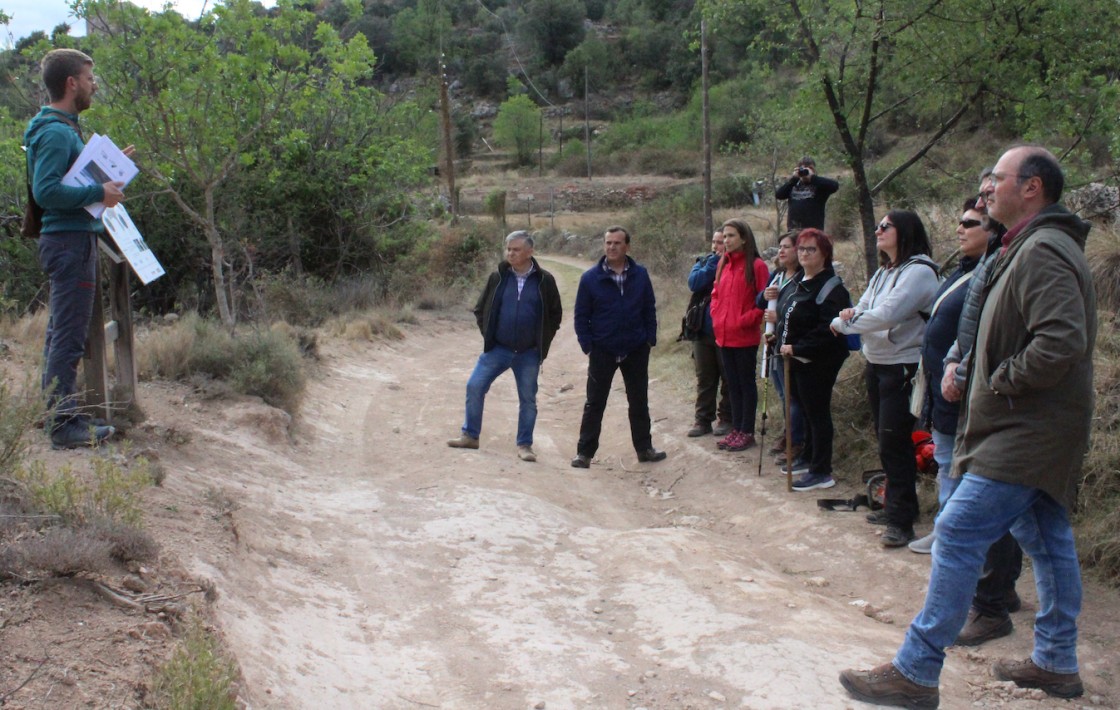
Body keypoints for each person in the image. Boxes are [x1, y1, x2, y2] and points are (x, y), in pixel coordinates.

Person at [840, 146, 1096, 708]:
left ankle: (917, 669)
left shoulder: (1045, 250)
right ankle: (1055, 662)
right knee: (1046, 540)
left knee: (955, 532)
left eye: (996, 181)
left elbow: (1060, 342)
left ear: (1031, 188)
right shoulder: (1023, 245)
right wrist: (969, 362)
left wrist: (998, 378)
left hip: (1026, 427)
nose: (985, 191)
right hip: (1025, 424)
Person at [934, 173, 1025, 646]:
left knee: (971, 517)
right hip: (968, 396)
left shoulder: (1029, 254)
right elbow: (969, 329)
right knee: (1031, 525)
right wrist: (954, 360)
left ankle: (986, 605)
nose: (962, 227)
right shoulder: (986, 260)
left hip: (997, 406)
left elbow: (1046, 343)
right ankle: (996, 601)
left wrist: (980, 377)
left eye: (973, 219)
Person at [26, 49, 129, 450]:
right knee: (69, 336)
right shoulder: (55, 132)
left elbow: (63, 182)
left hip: (68, 241)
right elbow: (46, 190)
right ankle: (63, 425)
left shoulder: (60, 128)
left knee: (60, 333)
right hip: (69, 243)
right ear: (71, 83)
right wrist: (97, 191)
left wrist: (108, 173)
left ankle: (58, 412)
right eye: (89, 78)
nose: (94, 84)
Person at [830, 210, 940, 547]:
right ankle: (898, 505)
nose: (878, 230)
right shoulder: (884, 271)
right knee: (886, 440)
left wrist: (844, 323)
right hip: (877, 362)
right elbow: (861, 307)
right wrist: (849, 318)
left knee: (896, 442)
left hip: (902, 366)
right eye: (877, 225)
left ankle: (901, 521)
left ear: (904, 231)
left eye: (885, 226)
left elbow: (884, 314)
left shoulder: (919, 272)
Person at [907, 197, 995, 549]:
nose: (959, 229)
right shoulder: (964, 269)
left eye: (969, 223)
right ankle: (946, 531)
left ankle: (952, 536)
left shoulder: (988, 271)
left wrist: (957, 372)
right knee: (945, 461)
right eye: (960, 222)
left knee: (957, 465)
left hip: (962, 388)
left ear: (991, 229)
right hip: (941, 384)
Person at [447, 231, 562, 462]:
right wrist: (489, 336)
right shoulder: (497, 277)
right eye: (508, 249)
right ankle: (470, 435)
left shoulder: (544, 280)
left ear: (530, 252)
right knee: (474, 386)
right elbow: (481, 309)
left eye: (516, 249)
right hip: (498, 349)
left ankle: (525, 445)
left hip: (528, 353)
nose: (510, 253)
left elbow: (555, 315)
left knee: (528, 399)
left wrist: (541, 343)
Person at [571, 227, 666, 468]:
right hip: (603, 349)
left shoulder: (641, 275)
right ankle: (584, 453)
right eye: (608, 243)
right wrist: (588, 346)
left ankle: (644, 449)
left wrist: (649, 339)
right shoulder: (590, 278)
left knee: (638, 401)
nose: (611, 247)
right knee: (595, 402)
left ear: (627, 246)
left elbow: (649, 309)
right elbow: (581, 316)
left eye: (617, 243)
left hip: (635, 348)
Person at [776, 229, 850, 490]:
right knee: (806, 412)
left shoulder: (831, 287)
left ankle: (822, 470)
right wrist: (776, 340)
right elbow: (787, 317)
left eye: (811, 250)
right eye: (802, 248)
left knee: (817, 414)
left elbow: (828, 328)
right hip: (795, 360)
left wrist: (796, 347)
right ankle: (808, 457)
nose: (804, 254)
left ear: (825, 254)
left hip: (818, 361)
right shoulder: (799, 281)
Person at [709, 219, 769, 452]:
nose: (726, 241)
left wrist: (745, 320)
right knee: (732, 385)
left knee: (745, 384)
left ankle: (747, 431)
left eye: (731, 236)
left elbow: (763, 301)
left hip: (744, 336)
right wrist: (716, 315)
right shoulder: (723, 262)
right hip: (723, 335)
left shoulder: (757, 266)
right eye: (724, 236)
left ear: (744, 238)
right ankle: (737, 428)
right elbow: (715, 293)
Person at [759, 230, 805, 464]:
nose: (782, 251)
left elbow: (795, 311)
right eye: (780, 247)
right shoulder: (777, 274)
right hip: (773, 342)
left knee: (792, 396)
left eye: (787, 246)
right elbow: (760, 301)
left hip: (790, 344)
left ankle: (796, 440)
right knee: (781, 393)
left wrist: (779, 317)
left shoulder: (802, 278)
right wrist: (765, 294)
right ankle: (789, 434)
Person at [685, 231, 732, 438]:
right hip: (702, 331)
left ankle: (727, 418)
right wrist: (714, 262)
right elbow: (694, 283)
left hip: (727, 330)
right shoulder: (703, 262)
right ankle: (703, 419)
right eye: (714, 242)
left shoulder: (735, 265)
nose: (716, 246)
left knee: (728, 377)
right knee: (705, 377)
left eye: (721, 242)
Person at [774, 156, 840, 231]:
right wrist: (794, 179)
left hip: (813, 230)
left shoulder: (820, 185)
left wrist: (812, 178)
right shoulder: (792, 185)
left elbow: (835, 186)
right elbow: (779, 195)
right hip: (793, 230)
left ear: (814, 170)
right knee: (785, 243)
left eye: (809, 168)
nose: (805, 171)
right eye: (802, 168)